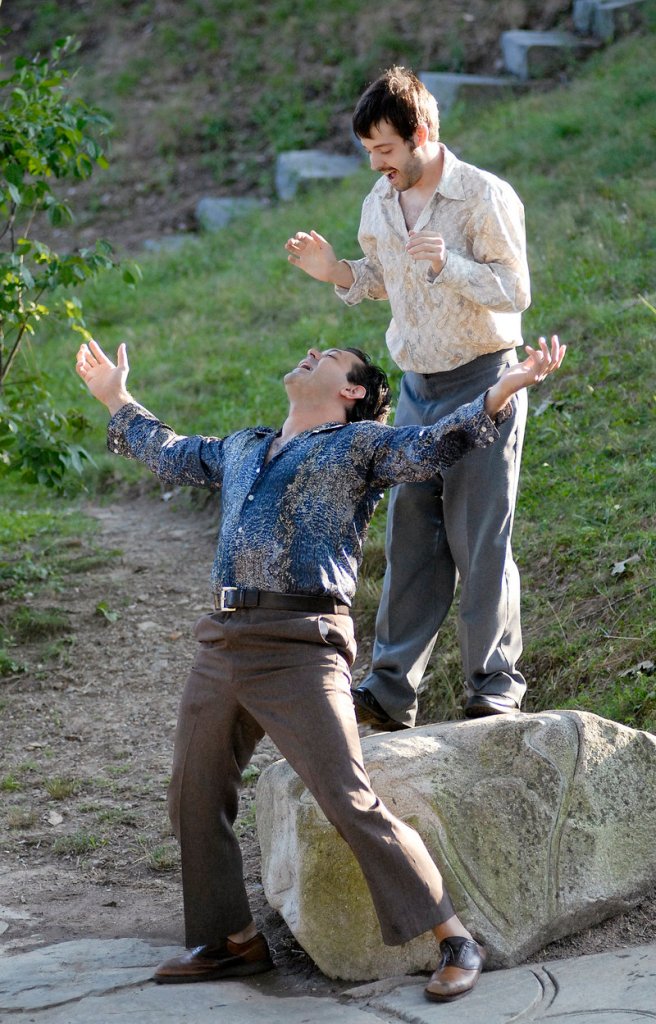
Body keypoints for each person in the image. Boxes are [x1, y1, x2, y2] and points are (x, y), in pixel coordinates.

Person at [75, 333, 564, 1002]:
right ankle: (233, 942)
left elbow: (436, 445)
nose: (310, 352)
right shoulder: (243, 446)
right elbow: (169, 453)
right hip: (223, 641)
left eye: (329, 356)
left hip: (302, 645)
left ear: (353, 392)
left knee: (349, 798)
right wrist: (115, 396)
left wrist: (505, 388)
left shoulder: (362, 446)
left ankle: (453, 936)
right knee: (193, 792)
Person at [285, 66, 532, 731]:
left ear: (421, 134)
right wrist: (336, 271)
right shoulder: (379, 201)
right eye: (369, 151)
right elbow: (381, 277)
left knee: (481, 541)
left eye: (386, 149)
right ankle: (391, 695)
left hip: (485, 384)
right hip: (419, 392)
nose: (377, 163)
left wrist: (447, 263)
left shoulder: (483, 196)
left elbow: (516, 291)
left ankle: (494, 689)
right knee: (411, 541)